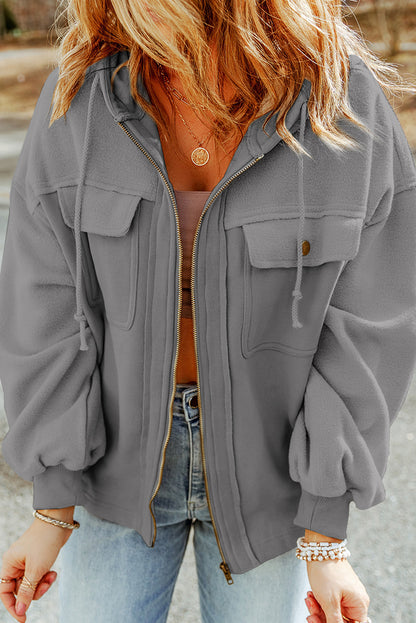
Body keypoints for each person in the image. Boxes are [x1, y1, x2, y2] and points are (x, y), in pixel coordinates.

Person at [0, 0, 415, 621]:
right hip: (109, 474)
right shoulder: (82, 96)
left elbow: (368, 325)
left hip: (275, 487)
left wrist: (327, 535)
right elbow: (47, 303)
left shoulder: (341, 100)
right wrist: (52, 506)